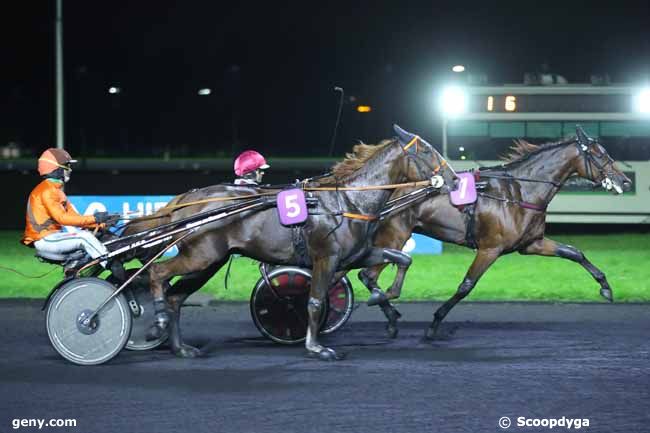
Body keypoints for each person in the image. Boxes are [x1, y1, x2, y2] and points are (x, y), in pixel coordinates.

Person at [21, 148, 114, 270]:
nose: (69, 170)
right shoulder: (47, 190)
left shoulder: (57, 191)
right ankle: (111, 265)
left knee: (88, 235)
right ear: (55, 168)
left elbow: (76, 218)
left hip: (53, 237)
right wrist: (95, 217)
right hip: (45, 239)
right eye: (67, 166)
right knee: (84, 237)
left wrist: (101, 224)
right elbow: (62, 218)